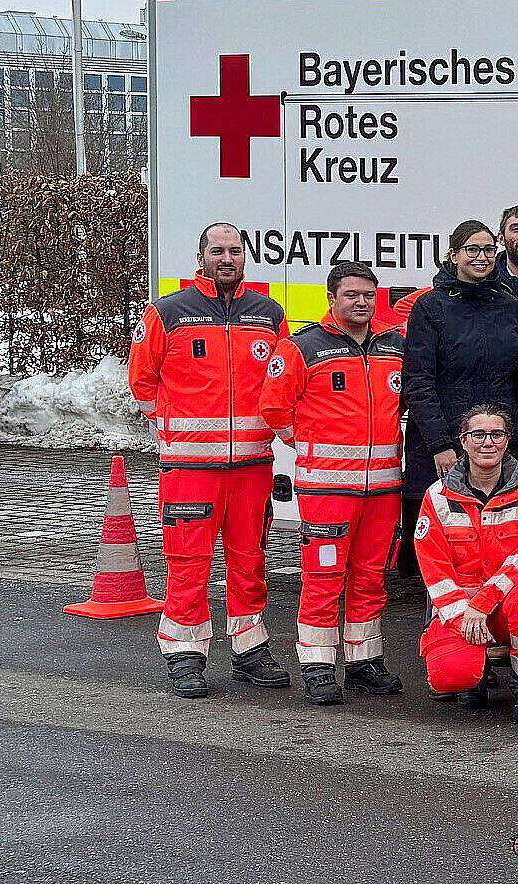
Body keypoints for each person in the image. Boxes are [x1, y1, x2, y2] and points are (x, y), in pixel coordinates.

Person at [128, 222, 290, 697]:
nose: (227, 258)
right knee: (188, 563)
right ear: (200, 256)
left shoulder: (268, 315)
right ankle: (185, 655)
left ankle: (250, 650)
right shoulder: (167, 312)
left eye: (235, 251)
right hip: (190, 471)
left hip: (253, 469)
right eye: (217, 250)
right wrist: (176, 427)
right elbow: (142, 381)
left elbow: (279, 383)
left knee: (250, 561)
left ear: (245, 257)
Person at [259, 261, 407, 706]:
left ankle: (364, 662)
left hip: (382, 491)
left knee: (370, 577)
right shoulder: (302, 348)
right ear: (332, 299)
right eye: (351, 295)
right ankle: (319, 666)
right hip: (325, 492)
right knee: (323, 577)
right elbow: (272, 407)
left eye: (367, 295)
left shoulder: (394, 346)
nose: (361, 303)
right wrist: (306, 443)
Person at [400, 220, 518, 575]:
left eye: (489, 250)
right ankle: (446, 617)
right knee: (447, 542)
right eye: (472, 250)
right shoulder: (430, 307)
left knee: (501, 529)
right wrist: (439, 445)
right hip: (448, 442)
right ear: (453, 255)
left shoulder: (507, 305)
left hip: (498, 439)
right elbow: (418, 381)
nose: (482, 257)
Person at [412, 404, 518, 724]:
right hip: (460, 610)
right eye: (478, 434)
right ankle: (474, 675)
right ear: (463, 442)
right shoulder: (437, 496)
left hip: (509, 602)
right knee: (449, 677)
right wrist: (462, 615)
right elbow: (434, 570)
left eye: (496, 434)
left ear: (508, 440)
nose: (487, 442)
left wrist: (483, 602)